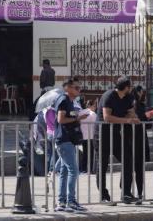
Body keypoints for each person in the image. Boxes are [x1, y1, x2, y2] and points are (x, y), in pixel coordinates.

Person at [94, 77, 140, 205]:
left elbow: (131, 113)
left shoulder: (128, 98)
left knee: (128, 160)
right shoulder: (109, 96)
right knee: (102, 165)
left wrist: (134, 117)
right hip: (102, 134)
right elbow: (107, 117)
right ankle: (103, 195)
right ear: (126, 87)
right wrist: (127, 120)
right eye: (130, 87)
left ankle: (126, 193)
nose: (131, 89)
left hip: (116, 134)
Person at [54, 78, 88, 212]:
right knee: (74, 170)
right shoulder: (63, 100)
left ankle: (62, 202)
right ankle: (71, 201)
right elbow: (61, 119)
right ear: (67, 88)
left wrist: (78, 116)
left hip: (67, 139)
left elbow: (69, 116)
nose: (78, 90)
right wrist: (77, 118)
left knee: (64, 171)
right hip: (64, 139)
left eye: (79, 88)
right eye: (76, 88)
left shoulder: (70, 101)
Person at [80, 100, 97, 173]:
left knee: (85, 153)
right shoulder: (93, 114)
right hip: (91, 136)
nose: (95, 107)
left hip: (83, 136)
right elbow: (96, 125)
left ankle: (84, 168)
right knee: (91, 154)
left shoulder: (81, 112)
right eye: (95, 106)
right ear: (92, 105)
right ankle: (90, 169)